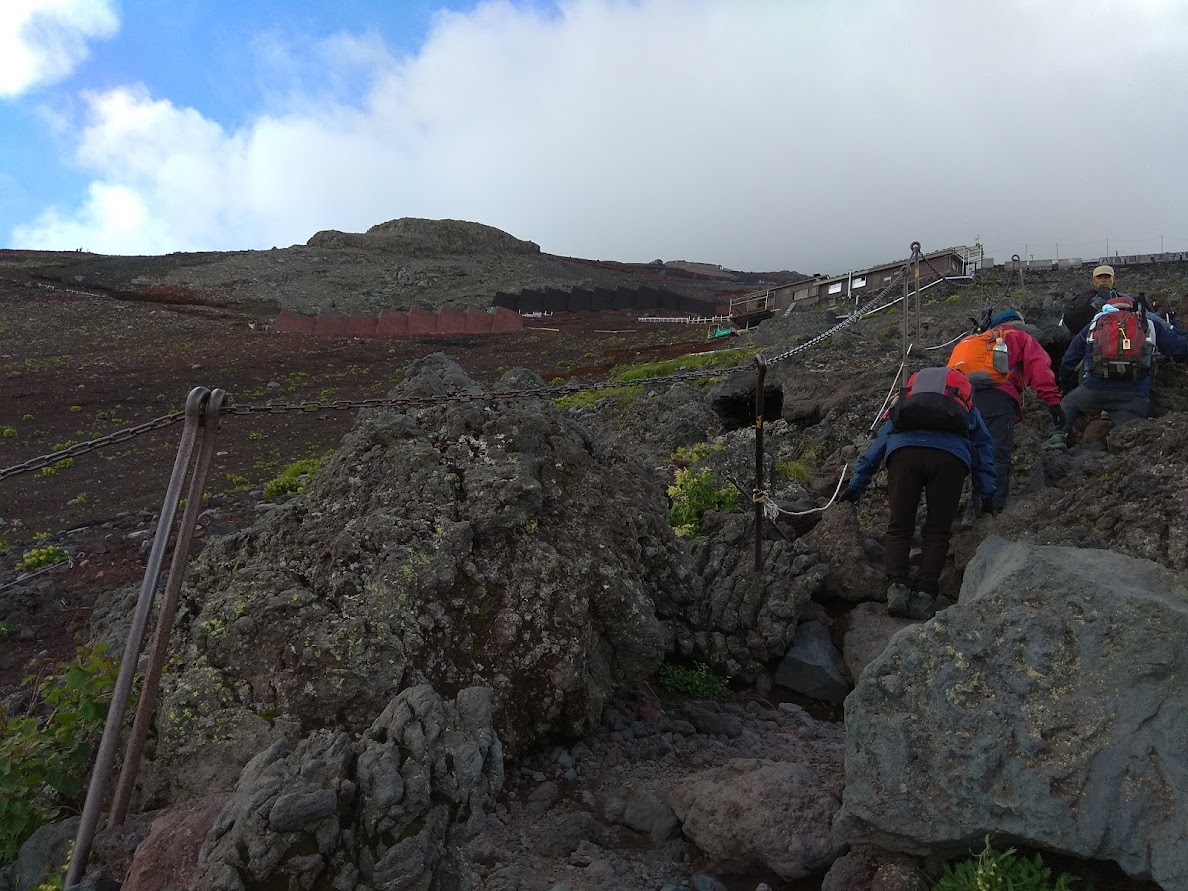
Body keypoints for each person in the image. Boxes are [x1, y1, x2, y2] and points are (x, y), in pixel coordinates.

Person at [840, 367, 996, 620]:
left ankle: (897, 590)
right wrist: (985, 494)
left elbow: (879, 443)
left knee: (899, 526)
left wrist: (857, 485)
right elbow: (984, 447)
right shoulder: (965, 406)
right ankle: (924, 596)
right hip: (950, 460)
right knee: (937, 531)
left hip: (904, 454)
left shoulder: (907, 403)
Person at [949, 309, 1063, 513]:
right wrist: (1053, 402)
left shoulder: (977, 341)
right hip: (997, 400)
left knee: (965, 451)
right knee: (995, 453)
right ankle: (990, 509)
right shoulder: (1019, 337)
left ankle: (961, 507)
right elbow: (1039, 368)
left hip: (962, 400)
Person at [1044, 295, 1188, 449]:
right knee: (1132, 439)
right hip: (1134, 396)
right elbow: (1179, 348)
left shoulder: (1094, 325)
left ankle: (1058, 436)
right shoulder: (1149, 324)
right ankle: (1128, 452)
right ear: (1132, 308)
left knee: (1069, 403)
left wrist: (1065, 386)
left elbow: (1069, 360)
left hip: (1094, 391)